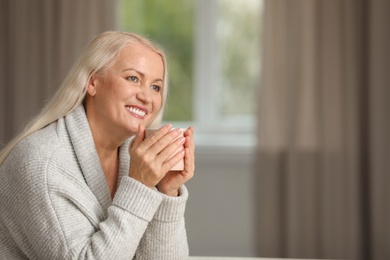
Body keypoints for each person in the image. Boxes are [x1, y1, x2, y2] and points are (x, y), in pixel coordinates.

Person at [0, 31, 195, 259]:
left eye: (156, 87)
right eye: (133, 78)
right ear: (92, 82)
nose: (147, 97)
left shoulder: (133, 157)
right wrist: (139, 186)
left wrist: (167, 192)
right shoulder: (41, 163)